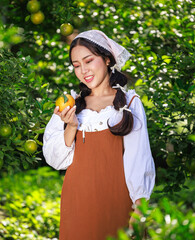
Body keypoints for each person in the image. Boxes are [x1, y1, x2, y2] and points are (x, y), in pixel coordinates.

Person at [43, 30, 155, 240]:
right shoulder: (70, 105)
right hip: (76, 205)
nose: (83, 70)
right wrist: (72, 126)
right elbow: (55, 160)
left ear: (106, 59)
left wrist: (139, 212)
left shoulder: (129, 103)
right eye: (76, 65)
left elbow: (139, 161)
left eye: (88, 60)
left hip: (118, 205)